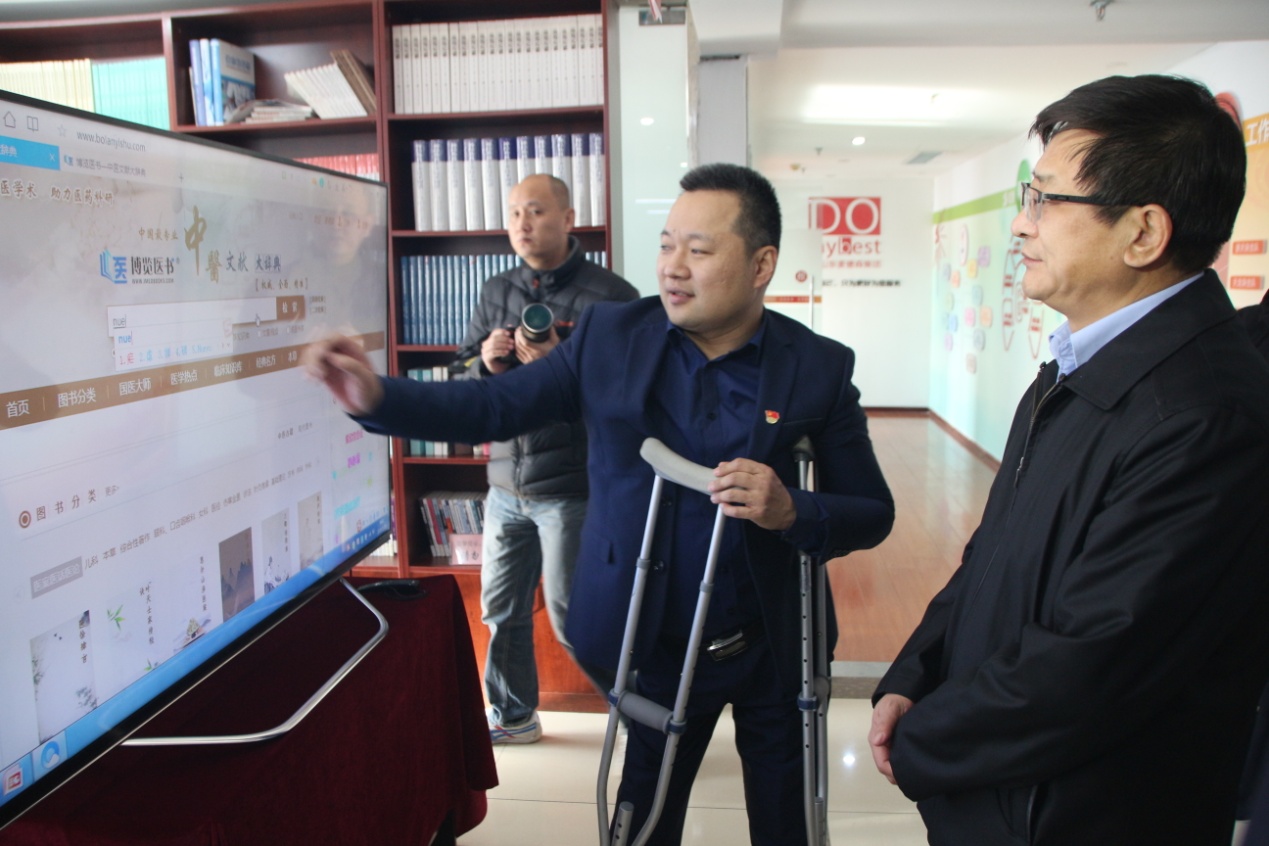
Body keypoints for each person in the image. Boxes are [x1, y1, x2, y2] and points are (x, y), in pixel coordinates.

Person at [302, 162, 894, 845]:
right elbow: (494, 405)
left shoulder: (816, 366)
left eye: (699, 250)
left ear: (761, 265)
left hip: (772, 640)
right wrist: (378, 397)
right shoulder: (612, 336)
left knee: (786, 822)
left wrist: (791, 510)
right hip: (654, 638)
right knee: (643, 819)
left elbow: (870, 511)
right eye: (667, 245)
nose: (673, 267)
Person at [869, 74, 1269, 846]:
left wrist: (924, 741)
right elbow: (992, 555)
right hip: (1001, 793)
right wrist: (914, 673)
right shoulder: (1077, 367)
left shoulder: (1204, 416)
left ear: (1142, 233)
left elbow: (1094, 662)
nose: (1020, 226)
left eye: (1044, 200)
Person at [454, 173, 638, 744]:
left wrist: (562, 365)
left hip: (573, 487)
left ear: (568, 217)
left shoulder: (612, 297)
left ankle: (643, 718)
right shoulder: (496, 290)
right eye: (514, 213)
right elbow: (463, 378)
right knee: (500, 610)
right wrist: (486, 363)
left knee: (575, 617)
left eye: (534, 211)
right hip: (506, 484)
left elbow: (629, 398)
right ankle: (513, 716)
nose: (522, 224)